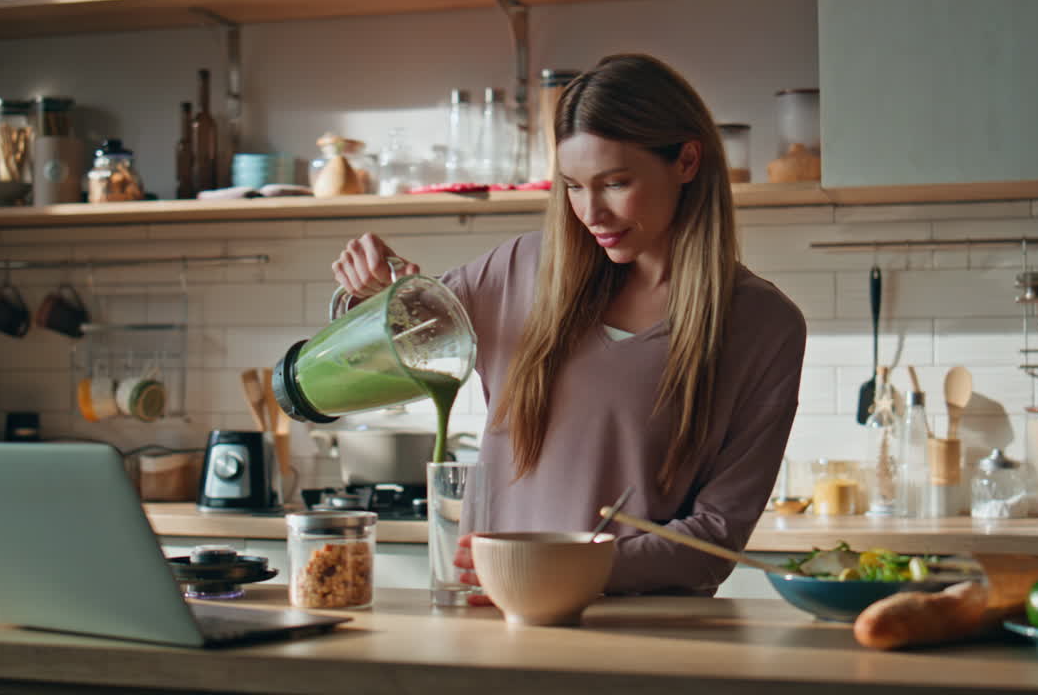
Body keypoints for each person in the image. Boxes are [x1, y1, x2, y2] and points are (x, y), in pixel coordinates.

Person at [332, 53, 806, 596]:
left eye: (615, 183)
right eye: (573, 186)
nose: (590, 213)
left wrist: (555, 569)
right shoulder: (518, 271)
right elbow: (383, 347)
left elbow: (715, 538)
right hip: (492, 626)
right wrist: (371, 292)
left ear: (688, 161)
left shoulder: (764, 327)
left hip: (645, 642)